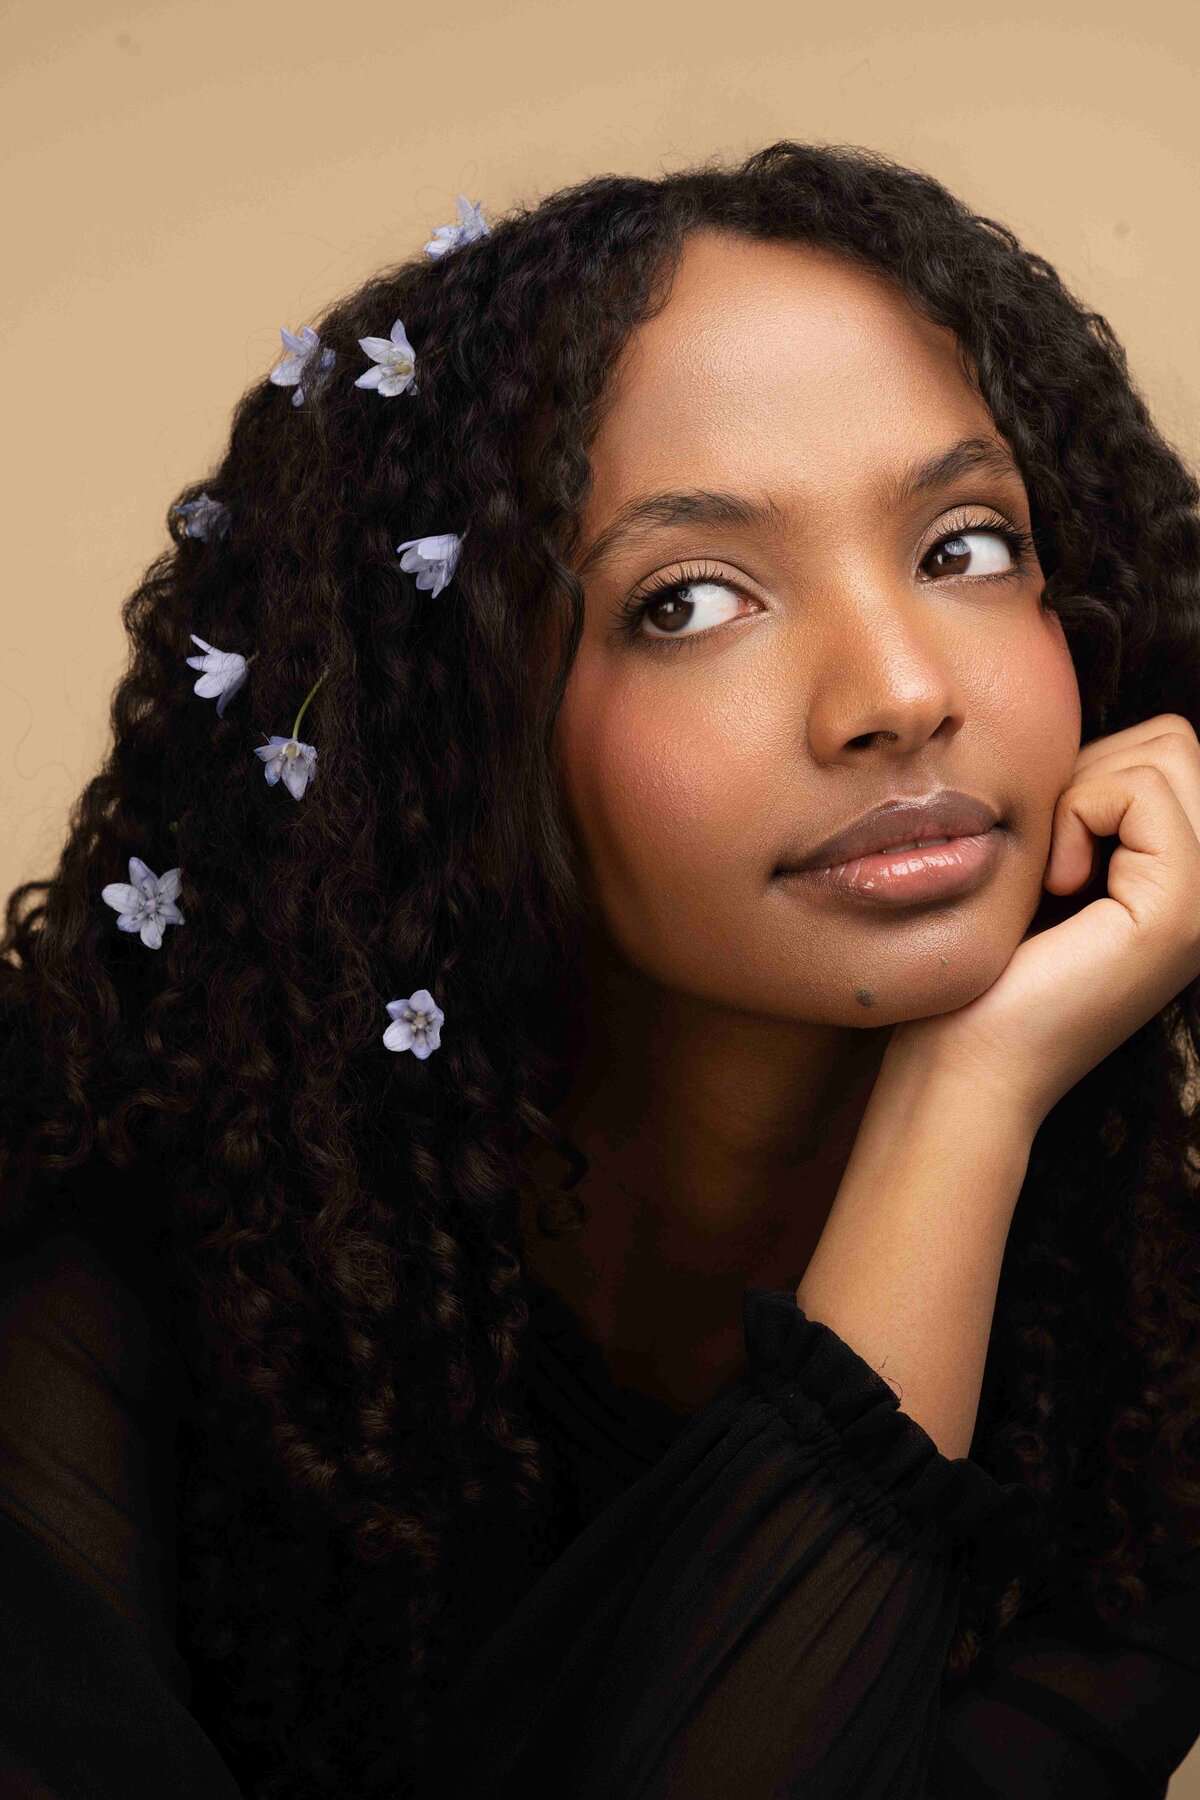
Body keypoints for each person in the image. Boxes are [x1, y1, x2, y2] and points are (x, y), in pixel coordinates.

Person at [2, 140, 1200, 1800]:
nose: (901, 692)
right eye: (691, 597)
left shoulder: (1135, 1382)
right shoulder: (100, 1259)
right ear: (457, 729)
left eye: (965, 546)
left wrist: (969, 1097)